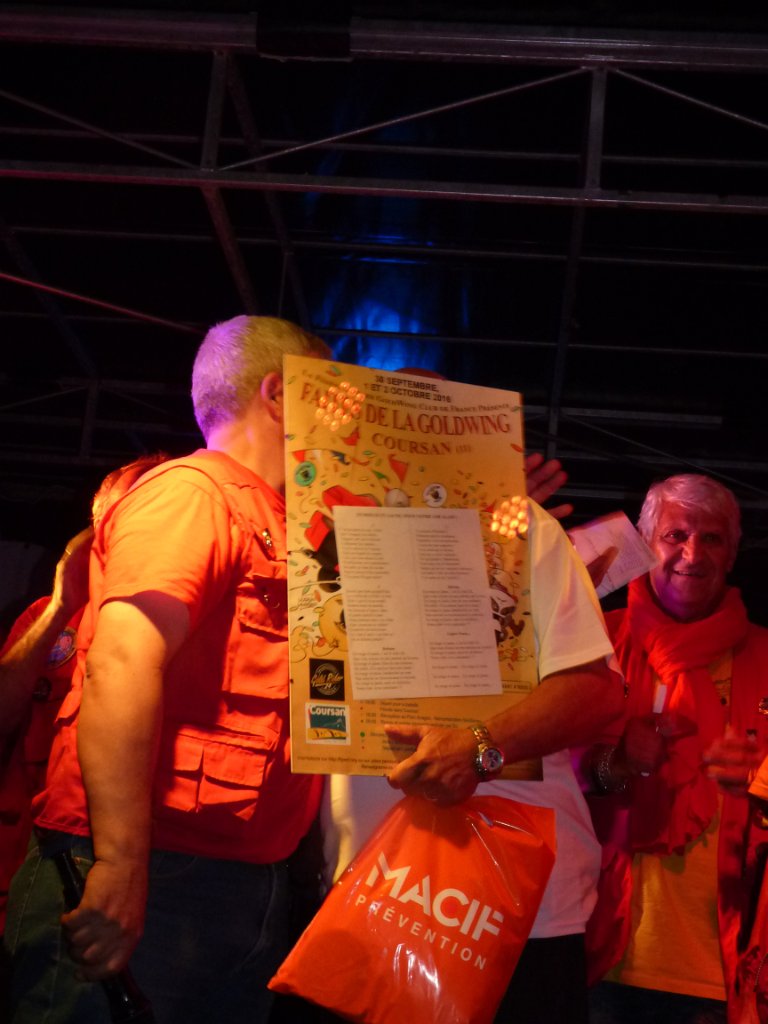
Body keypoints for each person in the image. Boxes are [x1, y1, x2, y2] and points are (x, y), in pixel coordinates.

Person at [5, 317, 329, 1024]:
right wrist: (120, 863)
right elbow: (123, 659)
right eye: (328, 388)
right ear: (279, 393)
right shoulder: (196, 493)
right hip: (156, 867)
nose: (345, 411)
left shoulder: (287, 523)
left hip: (239, 877)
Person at [322, 495, 625, 1023]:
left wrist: (479, 748)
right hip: (363, 892)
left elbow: (594, 693)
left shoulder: (522, 525)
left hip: (513, 912)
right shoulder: (321, 526)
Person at [583, 474, 768, 1024]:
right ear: (644, 545)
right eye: (675, 535)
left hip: (725, 969)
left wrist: (761, 777)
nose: (692, 553)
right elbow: (545, 774)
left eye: (712, 538)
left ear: (732, 553)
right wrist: (616, 763)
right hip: (601, 957)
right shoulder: (594, 642)